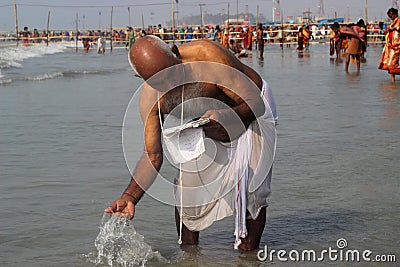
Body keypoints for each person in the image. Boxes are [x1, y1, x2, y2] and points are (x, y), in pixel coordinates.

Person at [105, 35, 277, 251]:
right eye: (160, 81)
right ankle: (189, 255)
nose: (171, 84)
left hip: (251, 106)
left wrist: (225, 116)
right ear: (140, 78)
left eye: (173, 73)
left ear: (176, 54)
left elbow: (256, 104)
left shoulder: (209, 57)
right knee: (187, 193)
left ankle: (248, 256)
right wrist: (129, 196)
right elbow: (153, 155)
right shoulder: (151, 100)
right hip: (207, 122)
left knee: (252, 191)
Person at [378, 8, 400, 82]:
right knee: (389, 63)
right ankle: (393, 80)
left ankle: (393, 80)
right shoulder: (393, 22)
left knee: (392, 64)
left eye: (391, 15)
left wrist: (394, 28)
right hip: (391, 45)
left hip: (397, 45)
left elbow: (398, 29)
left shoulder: (399, 20)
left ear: (394, 14)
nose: (390, 17)